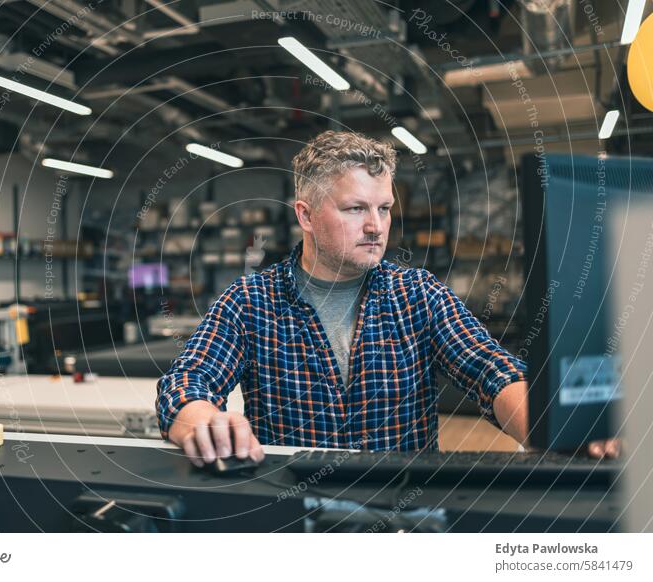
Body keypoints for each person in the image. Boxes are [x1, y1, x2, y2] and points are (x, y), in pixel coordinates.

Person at [156, 130, 620, 466]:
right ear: (307, 215)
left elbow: (493, 374)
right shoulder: (251, 302)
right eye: (356, 208)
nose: (376, 226)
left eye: (383, 208)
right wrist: (203, 420)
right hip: (297, 521)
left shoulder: (418, 296)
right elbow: (187, 383)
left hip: (406, 519)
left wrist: (556, 431)